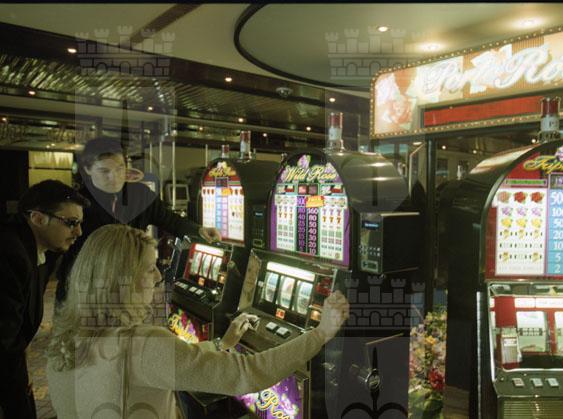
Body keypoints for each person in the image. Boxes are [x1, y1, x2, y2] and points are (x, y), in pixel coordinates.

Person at [46, 224, 349, 418]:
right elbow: (248, 374)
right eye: (149, 268)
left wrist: (221, 344)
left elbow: (164, 364)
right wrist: (321, 333)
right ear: (122, 280)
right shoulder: (142, 344)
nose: (159, 276)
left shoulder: (64, 337)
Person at [55, 137, 220, 304]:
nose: (114, 177)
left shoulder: (140, 194)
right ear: (87, 169)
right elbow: (57, 248)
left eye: (120, 168)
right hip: (85, 285)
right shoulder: (75, 202)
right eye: (105, 171)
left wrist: (199, 230)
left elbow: (170, 220)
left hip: (127, 283)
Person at [0, 180, 89, 419]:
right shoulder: (10, 253)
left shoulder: (39, 252)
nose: (78, 232)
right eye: (71, 223)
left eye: (80, 223)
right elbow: (4, 340)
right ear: (38, 218)